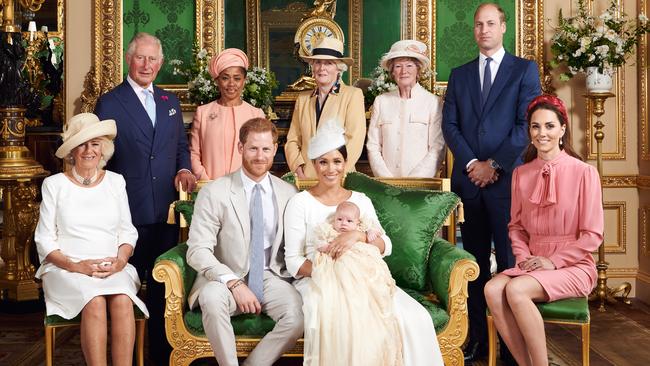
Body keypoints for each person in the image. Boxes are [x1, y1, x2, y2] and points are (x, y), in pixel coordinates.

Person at [284, 121, 444, 366]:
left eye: (337, 161)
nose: (330, 169)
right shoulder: (300, 203)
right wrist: (334, 273)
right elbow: (293, 261)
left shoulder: (360, 200)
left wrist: (357, 236)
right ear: (314, 164)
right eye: (323, 162)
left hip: (366, 277)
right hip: (319, 280)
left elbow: (386, 244)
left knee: (412, 317)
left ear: (345, 164)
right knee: (345, 318)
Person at [441, 3, 541, 362]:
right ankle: (479, 341)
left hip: (508, 184)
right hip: (469, 184)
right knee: (474, 265)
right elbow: (450, 126)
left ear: (503, 28)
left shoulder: (524, 70)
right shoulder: (459, 74)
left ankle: (514, 348)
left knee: (512, 263)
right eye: (478, 25)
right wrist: (472, 164)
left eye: (490, 24)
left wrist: (493, 164)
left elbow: (524, 125)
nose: (483, 30)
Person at [94, 32, 195, 364]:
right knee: (128, 292)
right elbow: (100, 158)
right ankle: (130, 356)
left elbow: (180, 148)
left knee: (165, 290)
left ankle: (162, 356)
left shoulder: (170, 102)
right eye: (141, 58)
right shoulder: (110, 102)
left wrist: (184, 171)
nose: (147, 65)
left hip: (165, 211)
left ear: (161, 63)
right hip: (128, 213)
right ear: (128, 58)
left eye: (153, 59)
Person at [484, 95, 603, 366]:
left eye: (549, 126)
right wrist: (524, 257)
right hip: (531, 263)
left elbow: (592, 235)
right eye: (535, 127)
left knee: (515, 290)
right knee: (492, 290)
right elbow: (516, 227)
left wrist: (552, 261)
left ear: (562, 129)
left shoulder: (585, 173)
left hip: (573, 266)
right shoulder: (521, 174)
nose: (542, 133)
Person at [186, 118, 303, 366]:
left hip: (271, 276)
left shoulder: (288, 193)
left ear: (275, 149)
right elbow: (197, 250)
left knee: (297, 317)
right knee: (211, 297)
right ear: (240, 148)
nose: (260, 156)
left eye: (266, 149)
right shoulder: (214, 192)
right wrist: (234, 282)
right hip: (225, 276)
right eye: (253, 148)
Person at [35, 113, 149, 366]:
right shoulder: (54, 185)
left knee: (122, 299)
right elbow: (44, 239)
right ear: (72, 151)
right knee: (94, 300)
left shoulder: (116, 182)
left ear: (104, 149)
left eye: (95, 143)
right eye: (82, 144)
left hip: (112, 265)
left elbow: (127, 231)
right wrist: (77, 266)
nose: (89, 150)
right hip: (66, 268)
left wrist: (121, 261)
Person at [305, 199, 401, 365]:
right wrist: (327, 247)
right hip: (338, 261)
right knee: (341, 272)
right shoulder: (328, 229)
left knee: (368, 272)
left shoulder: (363, 227)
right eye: (339, 219)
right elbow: (318, 244)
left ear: (357, 222)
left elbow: (379, 238)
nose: (343, 224)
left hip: (360, 259)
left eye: (349, 221)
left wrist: (366, 235)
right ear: (334, 218)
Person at [284, 37, 366, 179]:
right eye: (317, 62)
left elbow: (355, 139)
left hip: (339, 178)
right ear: (312, 67)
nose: (322, 68)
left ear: (338, 68)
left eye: (328, 63)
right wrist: (297, 168)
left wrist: (336, 172)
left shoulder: (353, 95)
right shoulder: (303, 99)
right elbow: (292, 139)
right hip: (306, 178)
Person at [366, 39, 445, 178]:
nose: (404, 71)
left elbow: (437, 147)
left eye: (409, 65)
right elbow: (373, 146)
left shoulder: (432, 102)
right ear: (392, 72)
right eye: (398, 66)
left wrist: (416, 181)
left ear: (418, 70)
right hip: (386, 184)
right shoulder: (381, 101)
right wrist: (386, 179)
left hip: (421, 184)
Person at [190, 48, 265, 181]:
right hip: (210, 187)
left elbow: (261, 155)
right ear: (217, 80)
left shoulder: (256, 114)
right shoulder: (203, 112)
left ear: (244, 81)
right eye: (225, 78)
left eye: (237, 78)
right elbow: (194, 154)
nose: (231, 84)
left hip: (245, 188)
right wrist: (206, 181)